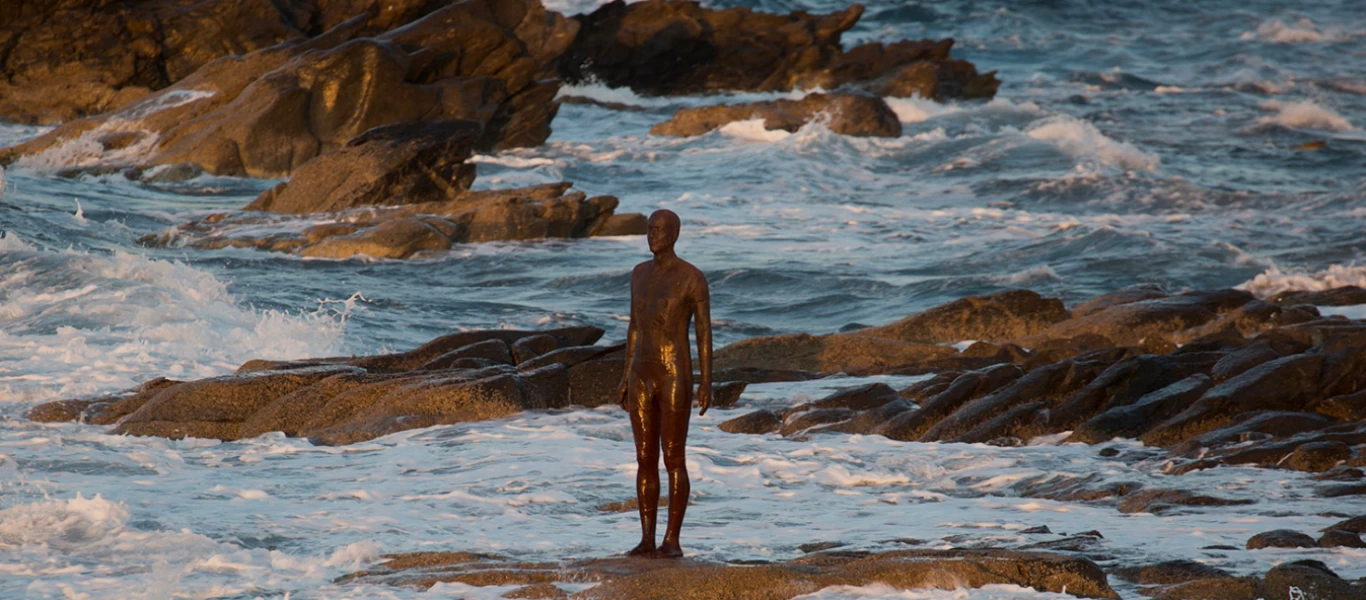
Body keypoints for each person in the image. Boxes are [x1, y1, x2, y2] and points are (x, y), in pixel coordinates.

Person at [617, 208, 712, 558]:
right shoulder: (638, 273)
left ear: (674, 234)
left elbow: (704, 333)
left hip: (675, 374)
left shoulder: (692, 278)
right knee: (644, 458)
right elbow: (634, 327)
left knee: (673, 458)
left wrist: (706, 381)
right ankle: (646, 539)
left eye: (658, 230)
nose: (652, 235)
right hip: (641, 373)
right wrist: (625, 375)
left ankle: (672, 541)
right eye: (649, 229)